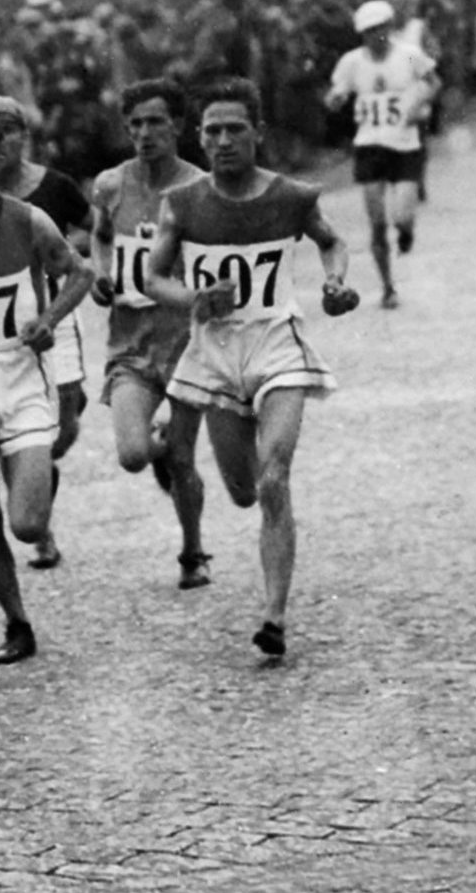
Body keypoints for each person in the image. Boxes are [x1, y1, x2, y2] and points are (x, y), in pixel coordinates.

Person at [144, 77, 356, 658]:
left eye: (235, 128)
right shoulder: (183, 205)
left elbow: (332, 242)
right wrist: (192, 299)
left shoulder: (291, 196)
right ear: (200, 138)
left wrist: (336, 280)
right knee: (240, 491)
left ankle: (274, 615)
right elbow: (152, 278)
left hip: (276, 344)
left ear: (258, 133)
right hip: (214, 353)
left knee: (273, 478)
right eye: (212, 131)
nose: (223, 140)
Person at [0, 115, 96, 663]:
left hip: (22, 374)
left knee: (26, 524)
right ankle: (16, 622)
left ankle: (33, 487)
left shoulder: (30, 220)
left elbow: (81, 274)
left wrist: (48, 317)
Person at [88, 79, 212, 589]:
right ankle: (157, 448)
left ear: (178, 127)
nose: (144, 133)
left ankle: (193, 552)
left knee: (185, 457)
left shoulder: (200, 187)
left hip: (185, 342)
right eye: (135, 124)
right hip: (130, 342)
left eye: (155, 122)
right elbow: (98, 237)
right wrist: (100, 273)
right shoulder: (111, 185)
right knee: (134, 454)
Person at [0, 96, 92, 471]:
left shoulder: (56, 185)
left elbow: (97, 231)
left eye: (8, 131)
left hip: (57, 309)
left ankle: (44, 455)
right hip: (3, 318)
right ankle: (32, 473)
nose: (0, 141)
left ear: (24, 136)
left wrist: (60, 247)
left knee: (63, 429)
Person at [324, 0, 438, 310]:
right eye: (370, 31)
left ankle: (406, 230)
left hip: (405, 144)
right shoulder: (351, 62)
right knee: (376, 223)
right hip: (370, 144)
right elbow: (337, 92)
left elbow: (432, 82)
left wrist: (418, 103)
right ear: (362, 34)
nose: (377, 36)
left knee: (401, 217)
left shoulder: (409, 55)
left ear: (390, 27)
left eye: (382, 29)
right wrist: (335, 99)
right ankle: (388, 286)